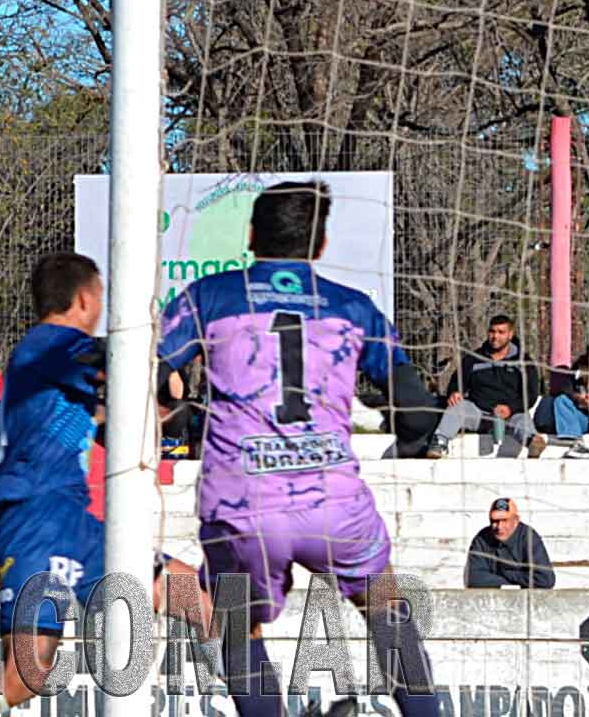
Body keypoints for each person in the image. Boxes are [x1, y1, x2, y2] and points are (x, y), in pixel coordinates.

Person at [157, 181, 441, 717]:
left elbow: (153, 372)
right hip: (332, 497)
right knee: (385, 605)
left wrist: (169, 406)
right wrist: (407, 436)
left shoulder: (209, 296)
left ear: (250, 235)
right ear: (321, 243)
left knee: (238, 622)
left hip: (243, 499)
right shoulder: (353, 307)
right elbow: (418, 409)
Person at [0, 253, 215, 717]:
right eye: (101, 298)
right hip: (37, 518)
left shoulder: (52, 367)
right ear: (85, 299)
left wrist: (156, 408)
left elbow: (101, 413)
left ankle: (257, 698)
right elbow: (116, 360)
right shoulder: (51, 343)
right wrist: (180, 347)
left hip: (73, 522)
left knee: (193, 596)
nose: (102, 308)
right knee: (25, 675)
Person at [426, 315, 542, 459]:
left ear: (510, 334)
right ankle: (439, 443)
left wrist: (510, 408)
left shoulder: (523, 361)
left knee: (522, 418)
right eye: (492, 331)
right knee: (458, 407)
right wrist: (454, 392)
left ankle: (533, 442)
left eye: (501, 332)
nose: (495, 336)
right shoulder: (473, 358)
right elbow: (457, 381)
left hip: (510, 415)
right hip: (478, 412)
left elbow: (531, 395)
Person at [464, 498, 555, 589]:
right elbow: (472, 579)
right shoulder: (482, 539)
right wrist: (518, 582)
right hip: (491, 597)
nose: (499, 527)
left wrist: (505, 574)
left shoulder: (528, 537)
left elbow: (545, 579)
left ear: (516, 520)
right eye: (495, 521)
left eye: (505, 520)